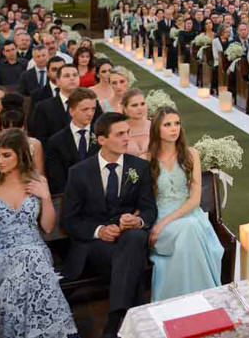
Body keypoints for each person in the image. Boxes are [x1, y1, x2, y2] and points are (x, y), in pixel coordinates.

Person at [61, 112, 157, 338]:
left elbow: (149, 209)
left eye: (128, 133)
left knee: (134, 237)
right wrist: (99, 231)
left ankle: (115, 321)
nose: (126, 138)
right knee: (130, 259)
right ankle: (133, 319)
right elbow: (70, 220)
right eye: (120, 134)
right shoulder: (79, 172)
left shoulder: (139, 167)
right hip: (95, 246)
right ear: (102, 140)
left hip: (127, 238)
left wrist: (138, 220)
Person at [0, 128, 78, 338]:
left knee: (32, 261)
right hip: (0, 255)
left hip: (35, 249)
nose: (0, 161)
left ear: (21, 155)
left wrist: (46, 198)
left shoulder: (38, 182)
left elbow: (49, 227)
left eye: (6, 155)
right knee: (35, 270)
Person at [148, 106, 225, 299]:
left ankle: (200, 299)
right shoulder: (147, 158)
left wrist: (164, 224)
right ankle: (188, 298)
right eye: (167, 125)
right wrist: (158, 225)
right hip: (160, 217)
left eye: (177, 123)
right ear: (157, 128)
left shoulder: (191, 155)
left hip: (190, 215)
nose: (174, 128)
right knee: (187, 230)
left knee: (189, 228)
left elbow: (194, 199)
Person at [28, 61, 101, 143]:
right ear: (57, 81)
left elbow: (100, 131)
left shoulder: (93, 104)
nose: (72, 78)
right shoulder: (43, 107)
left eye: (75, 75)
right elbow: (40, 137)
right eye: (67, 76)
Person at [45, 88, 100, 195]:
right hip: (68, 199)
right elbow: (56, 180)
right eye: (85, 109)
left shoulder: (102, 137)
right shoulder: (56, 141)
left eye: (93, 109)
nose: (90, 114)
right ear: (71, 111)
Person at [0, 108, 44, 188]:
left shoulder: (34, 145)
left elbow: (39, 175)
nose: (12, 132)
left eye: (16, 127)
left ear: (23, 128)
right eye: (7, 128)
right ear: (0, 128)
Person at [121, 88, 150, 157]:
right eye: (134, 105)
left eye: (142, 104)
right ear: (125, 109)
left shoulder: (155, 126)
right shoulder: (119, 129)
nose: (140, 108)